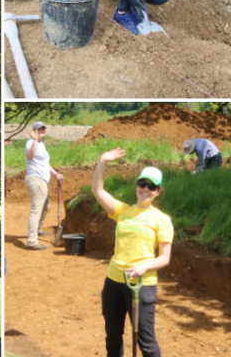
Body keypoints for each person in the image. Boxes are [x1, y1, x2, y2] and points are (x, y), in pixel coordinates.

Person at [92, 148, 173, 357]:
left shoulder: (161, 220)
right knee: (112, 336)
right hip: (113, 281)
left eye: (152, 186)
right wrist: (102, 161)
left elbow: (165, 258)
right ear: (136, 185)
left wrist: (144, 266)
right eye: (142, 183)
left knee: (145, 341)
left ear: (158, 191)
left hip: (142, 285)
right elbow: (97, 191)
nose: (146, 189)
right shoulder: (122, 211)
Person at [24, 121, 63, 250]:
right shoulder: (31, 143)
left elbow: (45, 163)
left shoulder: (42, 145)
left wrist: (56, 174)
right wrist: (34, 141)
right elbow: (30, 156)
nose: (42, 130)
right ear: (34, 131)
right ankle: (32, 241)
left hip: (42, 179)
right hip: (36, 179)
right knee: (37, 209)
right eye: (39, 129)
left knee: (45, 205)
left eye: (43, 129)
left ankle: (38, 229)